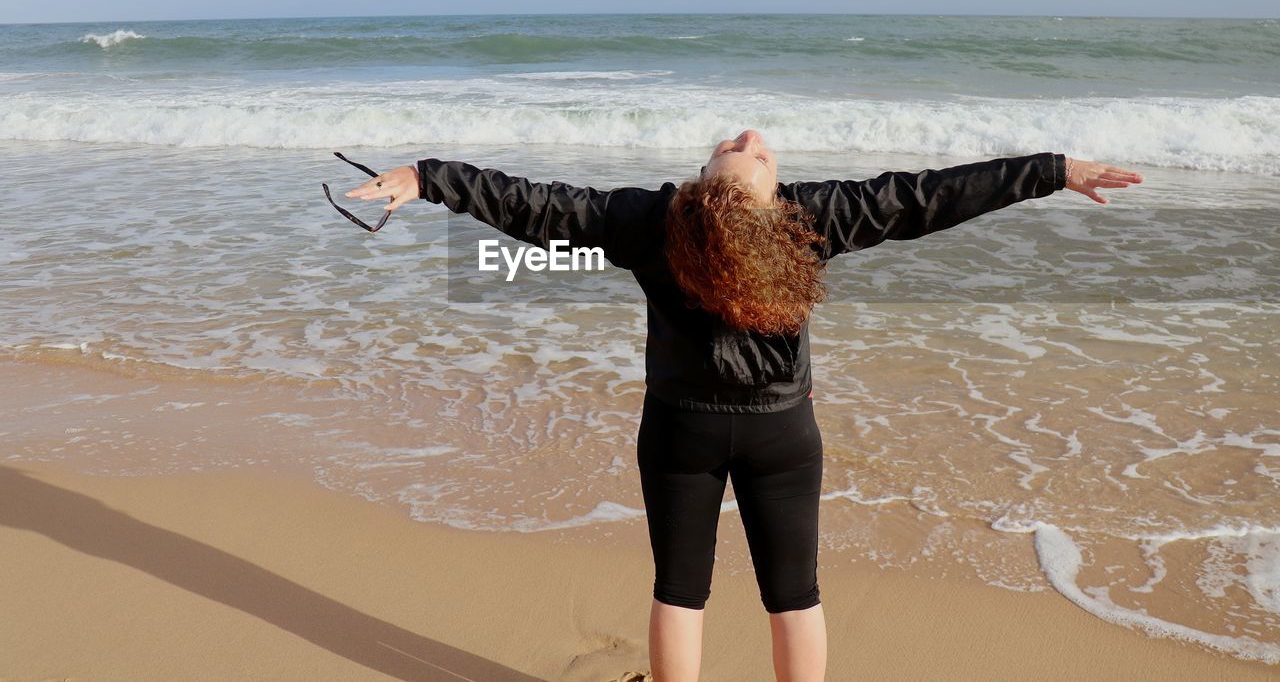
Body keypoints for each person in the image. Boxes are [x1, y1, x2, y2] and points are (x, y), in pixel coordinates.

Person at [343, 131, 1144, 681]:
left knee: (679, 587)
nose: (750, 138)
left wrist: (428, 179)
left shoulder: (652, 220)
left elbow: (536, 207)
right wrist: (1051, 169)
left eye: (744, 147)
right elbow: (923, 199)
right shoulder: (806, 218)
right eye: (748, 149)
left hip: (680, 431)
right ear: (762, 197)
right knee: (793, 591)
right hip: (781, 437)